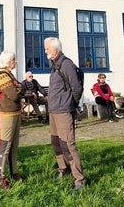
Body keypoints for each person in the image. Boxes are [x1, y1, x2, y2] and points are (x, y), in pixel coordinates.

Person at [44, 37, 86, 190]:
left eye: (47, 49)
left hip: (63, 111)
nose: (45, 51)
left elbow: (77, 88)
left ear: (55, 49)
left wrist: (71, 103)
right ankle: (64, 169)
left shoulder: (66, 64)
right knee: (56, 142)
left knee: (68, 144)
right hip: (53, 110)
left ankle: (80, 179)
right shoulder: (55, 65)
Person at [0, 51, 24, 190]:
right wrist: (21, 90)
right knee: (5, 147)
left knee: (14, 146)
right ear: (7, 61)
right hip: (7, 114)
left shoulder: (9, 75)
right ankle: (1, 178)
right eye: (13, 59)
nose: (15, 62)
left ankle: (14, 172)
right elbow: (14, 95)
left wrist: (20, 89)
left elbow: (17, 90)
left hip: (15, 113)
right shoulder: (3, 77)